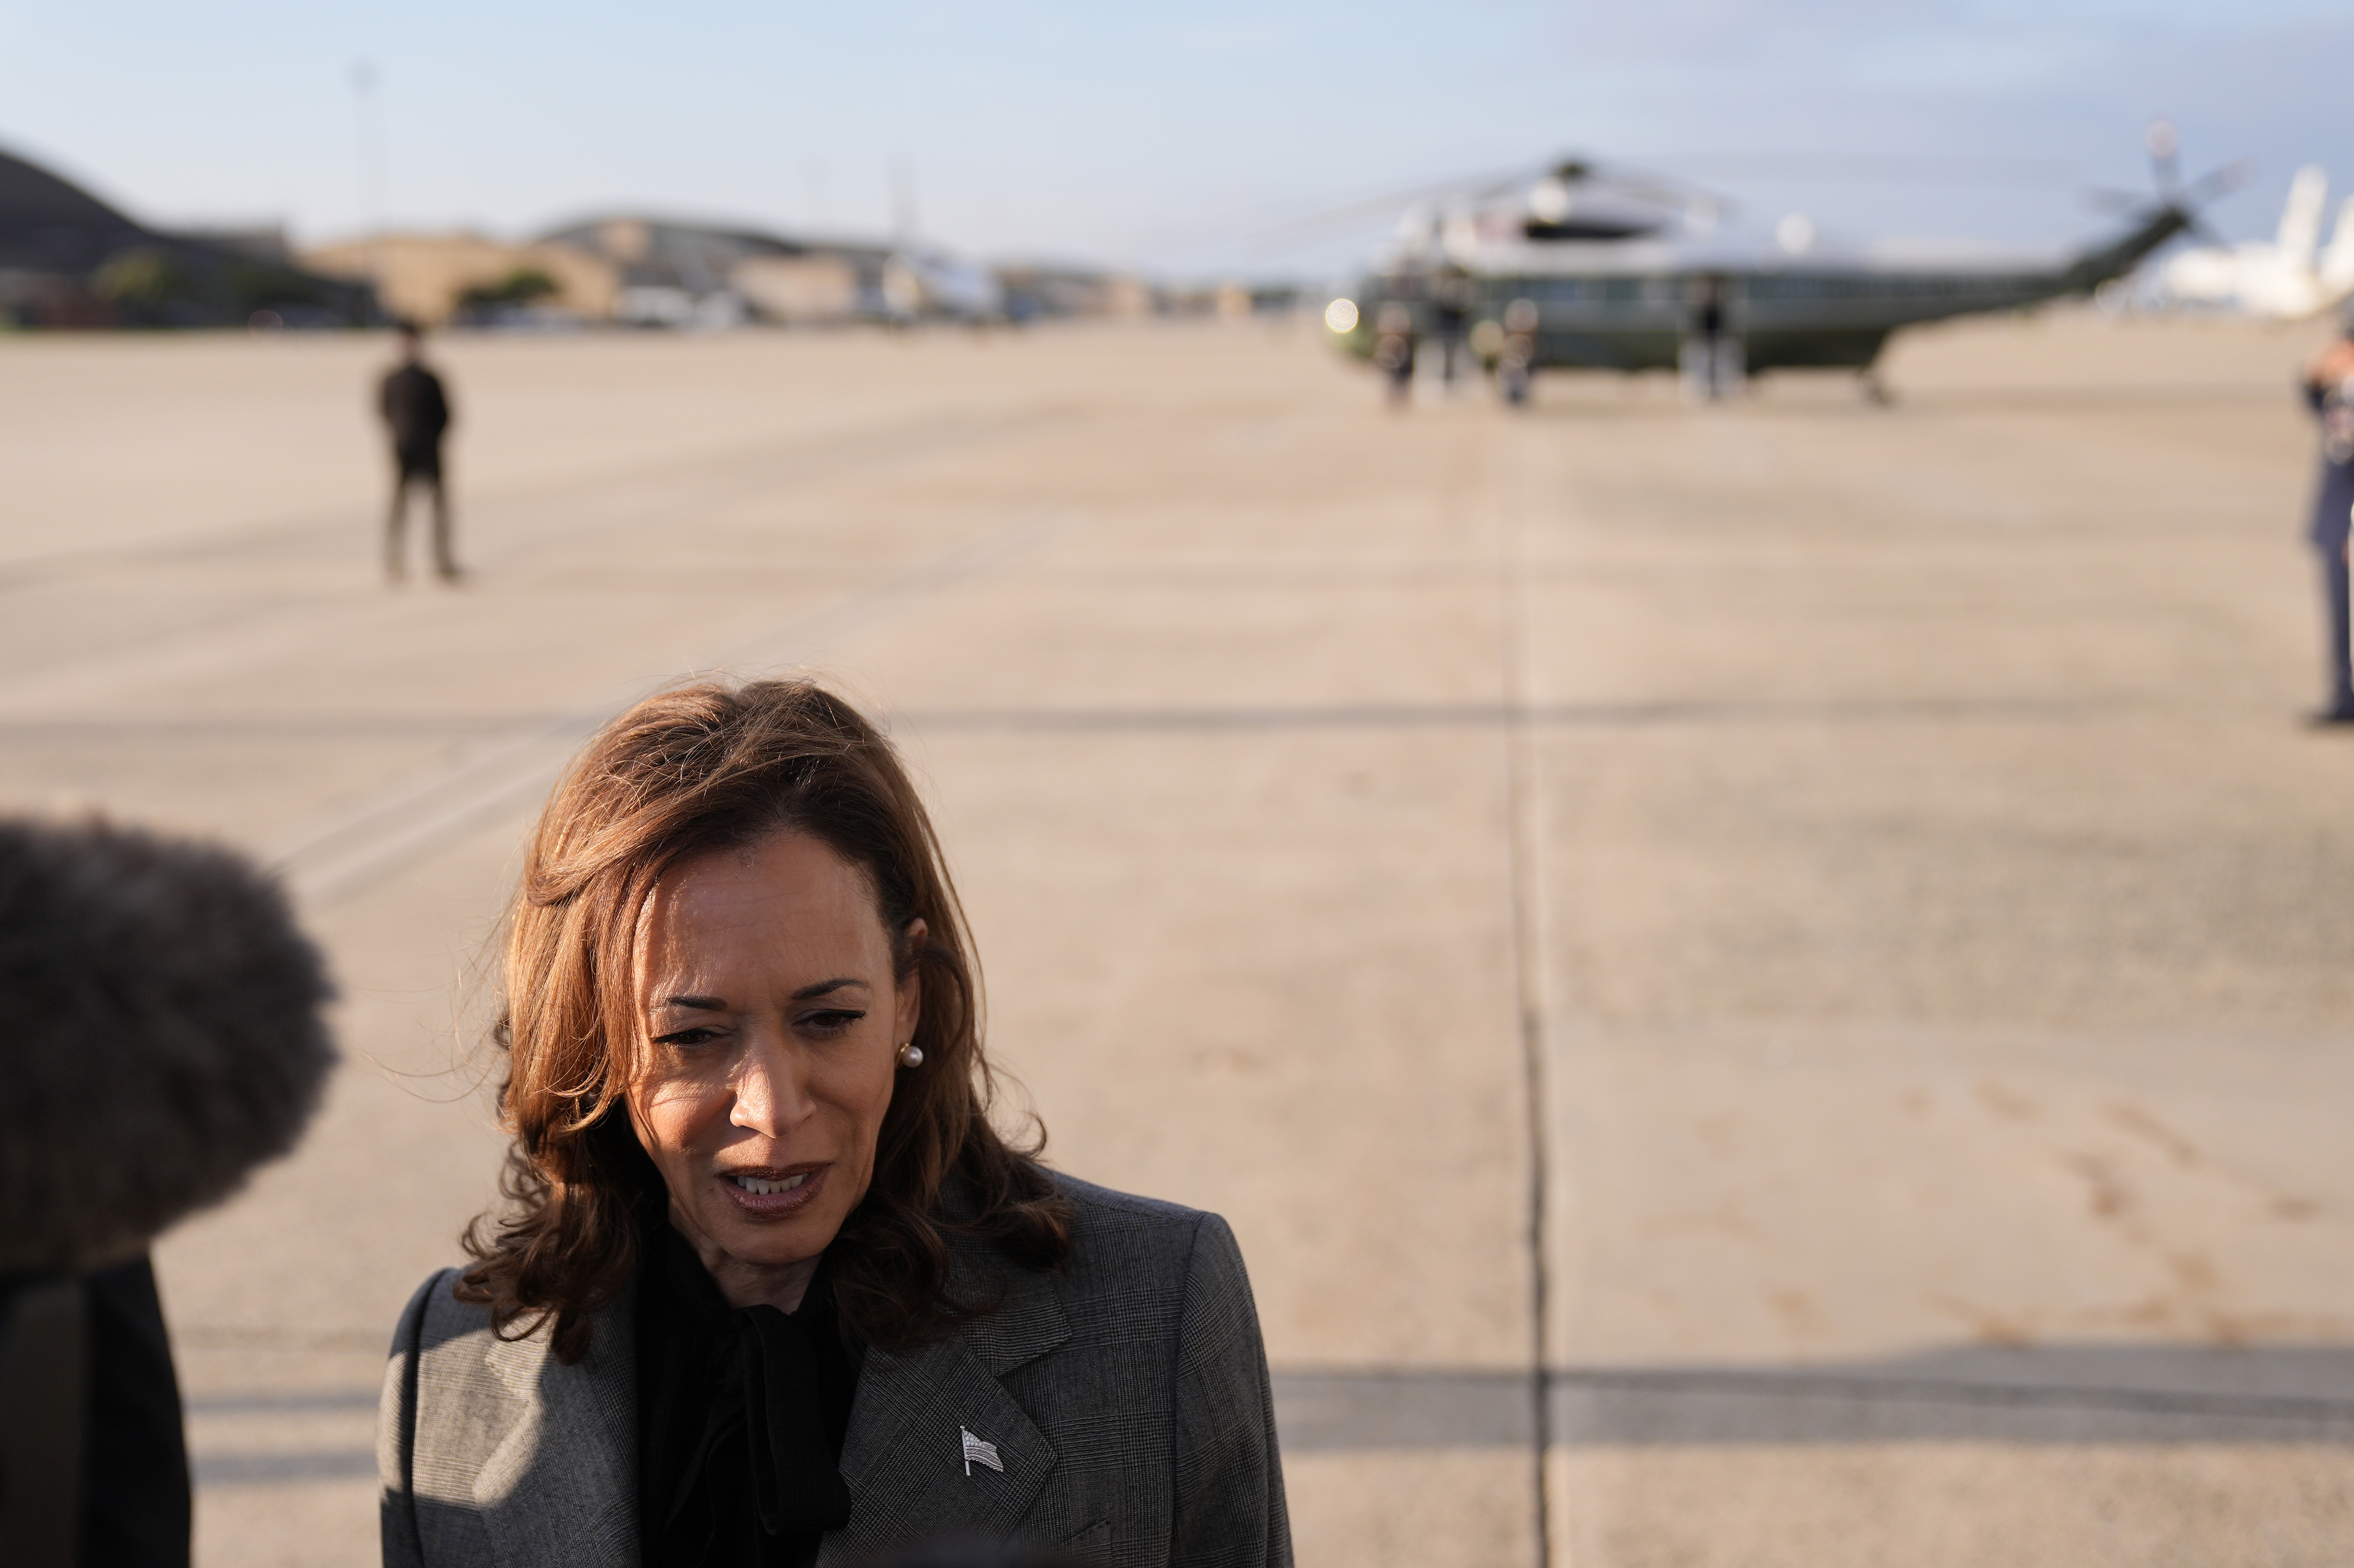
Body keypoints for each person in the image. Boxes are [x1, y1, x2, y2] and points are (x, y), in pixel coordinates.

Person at [377, 680, 1290, 1568]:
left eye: (827, 1018)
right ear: (595, 1043)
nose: (772, 1110)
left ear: (908, 998)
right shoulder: (448, 1375)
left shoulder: (1152, 1318)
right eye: (693, 1036)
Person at [2301, 321, 2354, 723]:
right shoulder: (2340, 392)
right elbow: (2313, 404)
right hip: (2336, 520)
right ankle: (2343, 696)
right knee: (2339, 618)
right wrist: (2314, 374)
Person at [378, 324, 460, 584]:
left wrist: (433, 438)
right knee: (399, 506)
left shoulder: (430, 378)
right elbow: (383, 411)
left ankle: (441, 560)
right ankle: (395, 560)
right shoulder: (391, 378)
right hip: (403, 448)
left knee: (438, 507)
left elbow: (446, 415)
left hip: (429, 448)